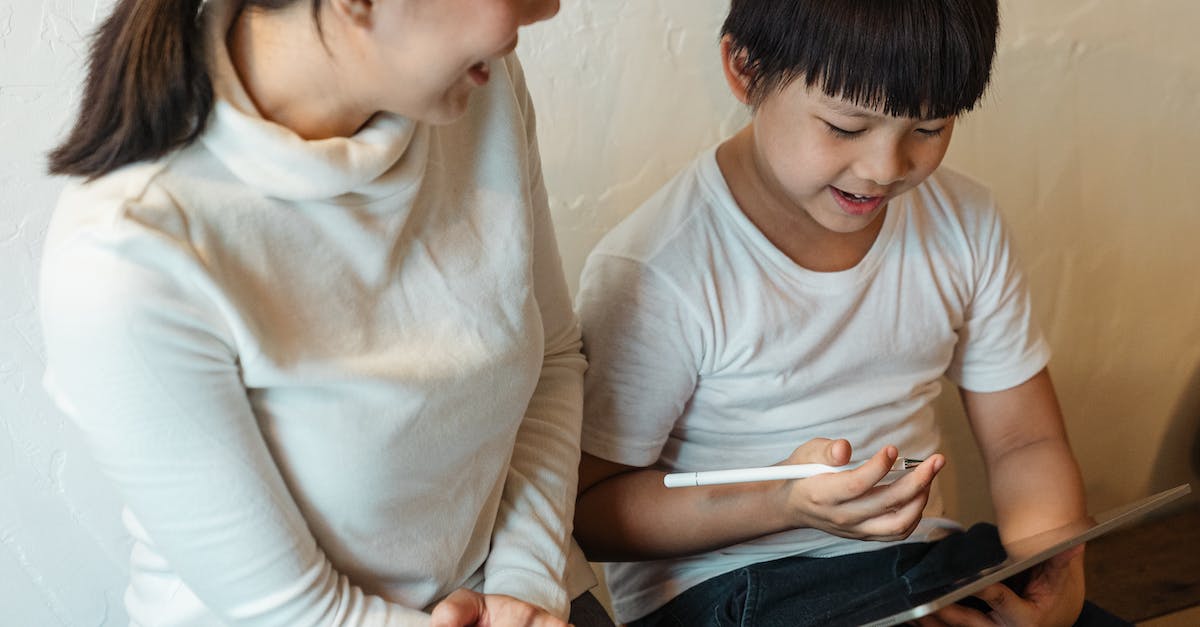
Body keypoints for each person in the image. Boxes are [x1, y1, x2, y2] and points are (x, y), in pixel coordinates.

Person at [40, 0, 614, 625]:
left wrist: (526, 588)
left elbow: (553, 359)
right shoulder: (126, 257)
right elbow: (289, 608)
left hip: (500, 588)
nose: (549, 9)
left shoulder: (474, 90)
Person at [573, 1, 1129, 626]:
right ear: (745, 68)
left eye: (928, 129)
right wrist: (782, 501)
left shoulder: (963, 224)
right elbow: (588, 512)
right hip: (735, 592)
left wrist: (1053, 579)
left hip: (918, 570)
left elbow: (1025, 440)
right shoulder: (658, 270)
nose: (884, 169)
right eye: (845, 126)